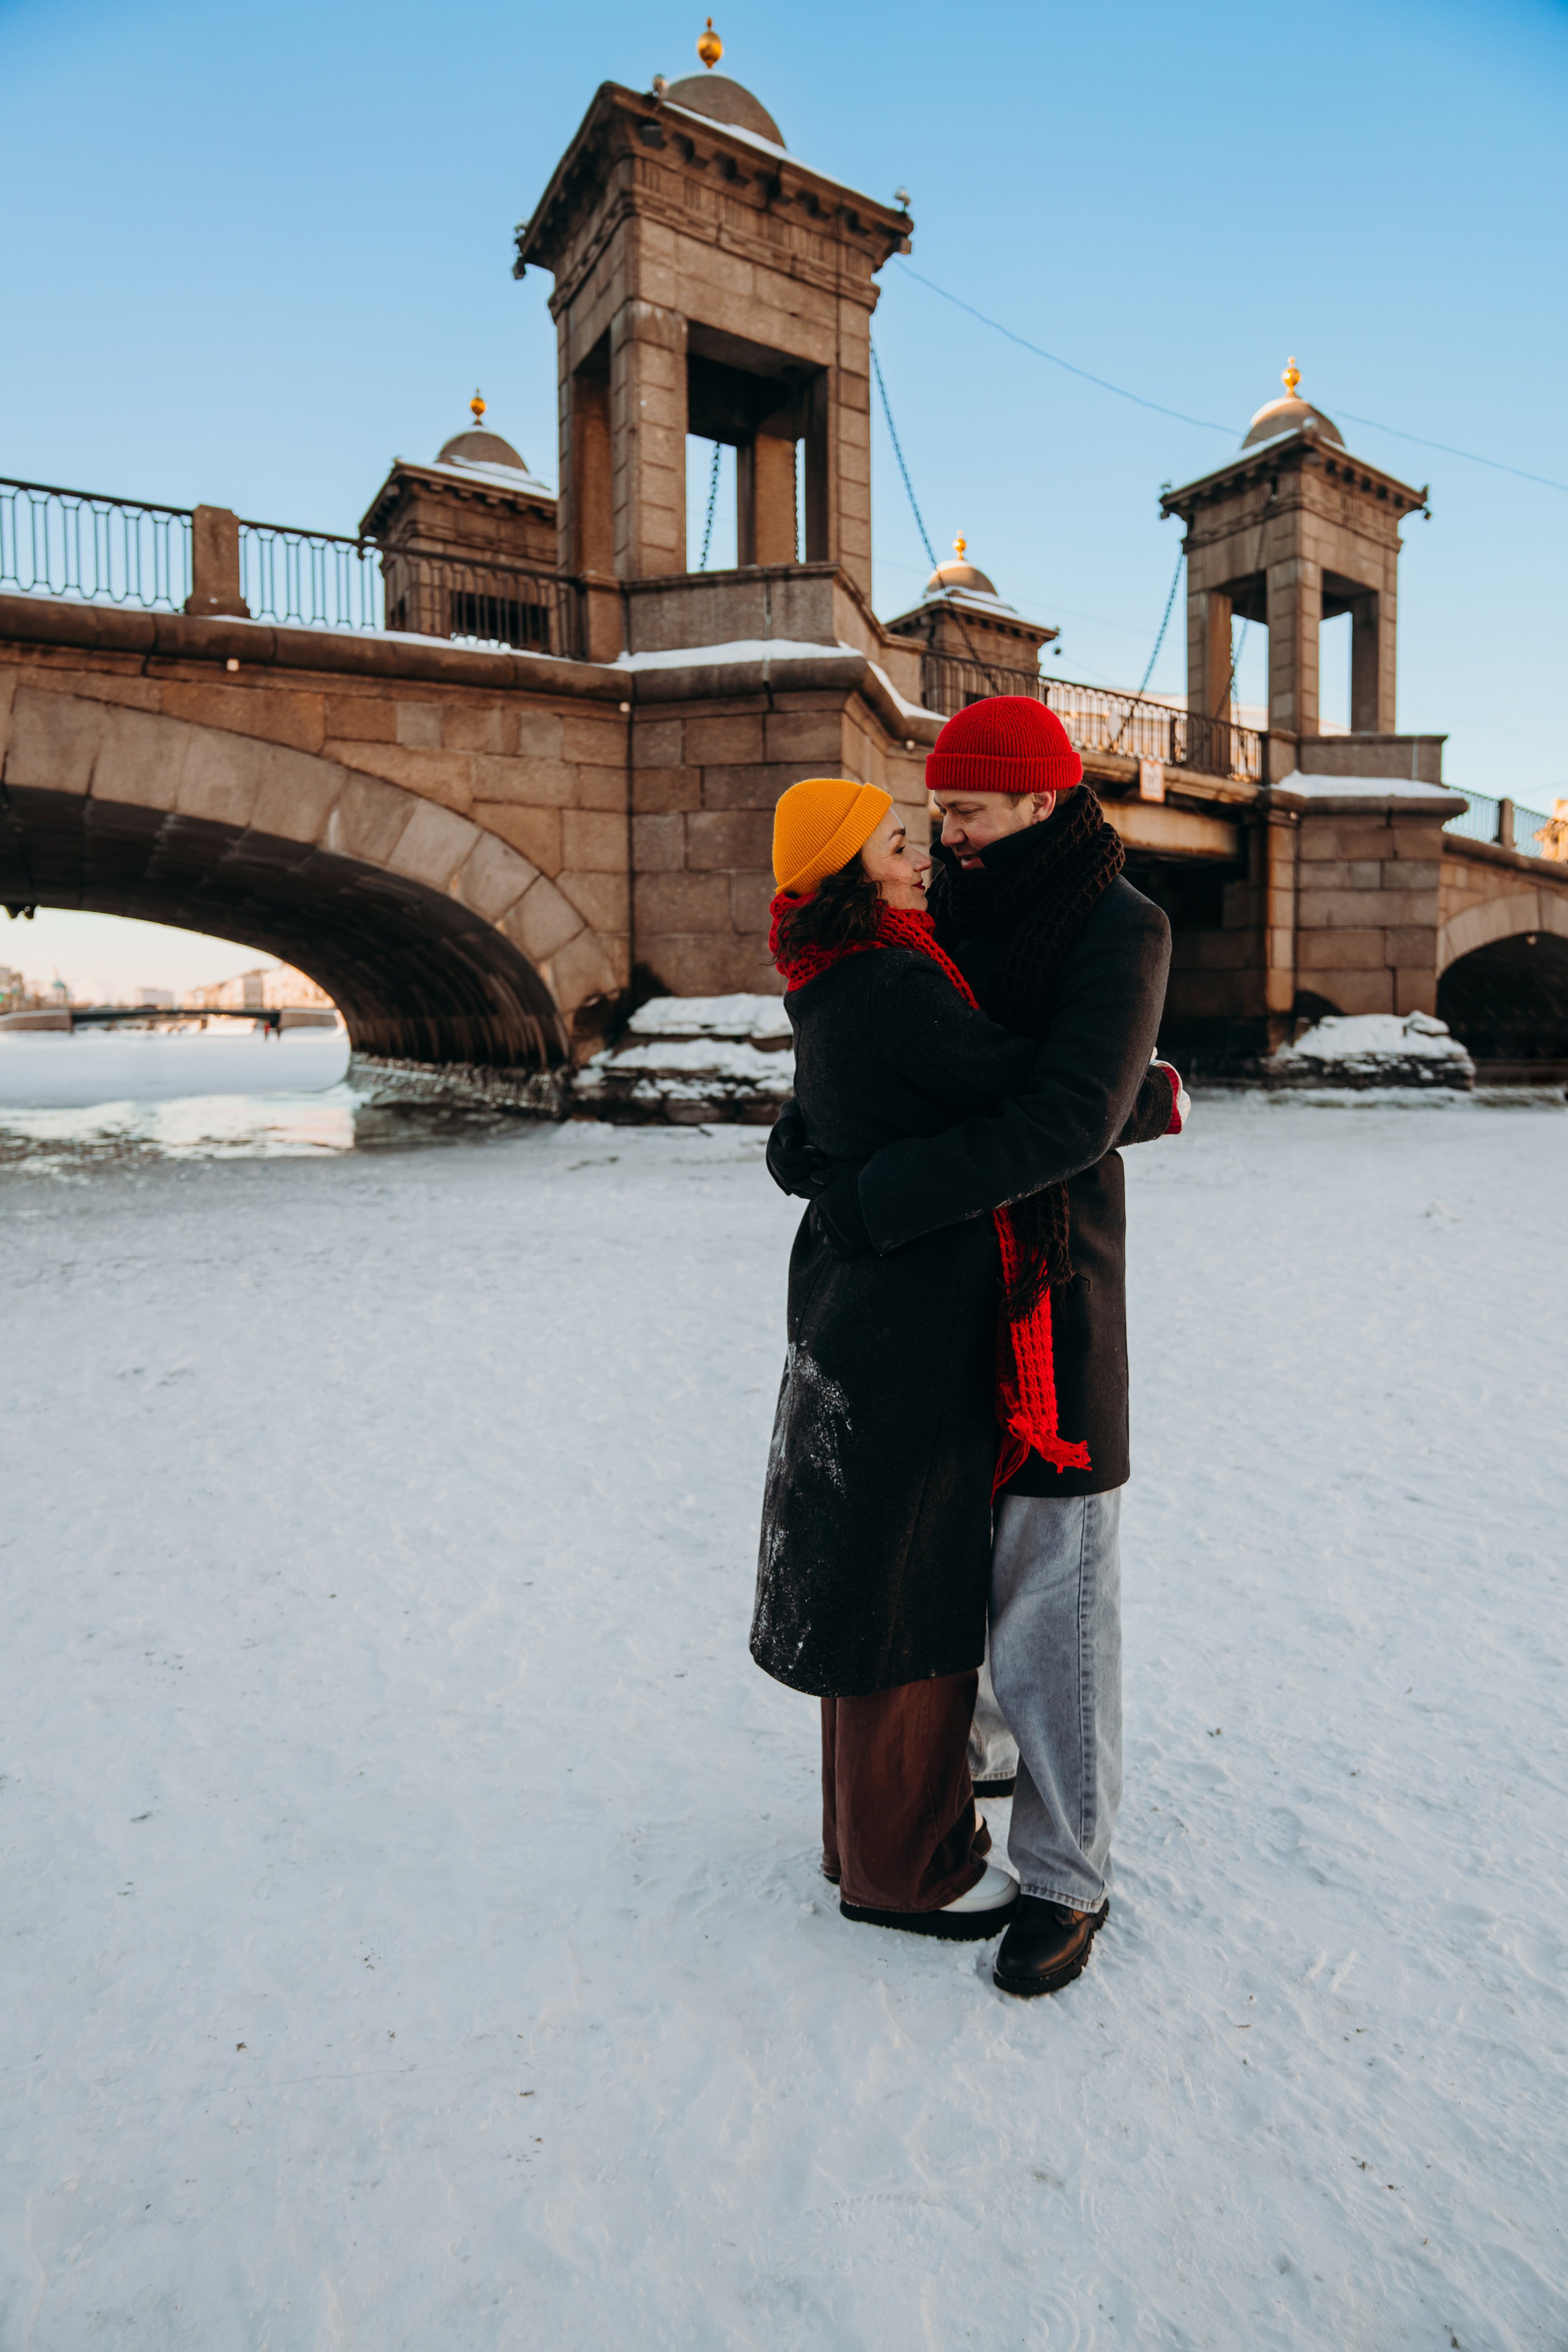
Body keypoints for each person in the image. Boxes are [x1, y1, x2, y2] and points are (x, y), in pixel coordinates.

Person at [768, 698, 1177, 1997]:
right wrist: (810, 1137)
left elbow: (1064, 1117)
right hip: (934, 1312)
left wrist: (874, 1197)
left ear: (1044, 803)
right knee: (944, 1551)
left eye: (971, 811)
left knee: (1054, 1603)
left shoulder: (1121, 927)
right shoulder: (935, 907)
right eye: (936, 811)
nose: (943, 834)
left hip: (1049, 1306)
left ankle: (1066, 1873)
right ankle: (974, 1765)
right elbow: (876, 1034)